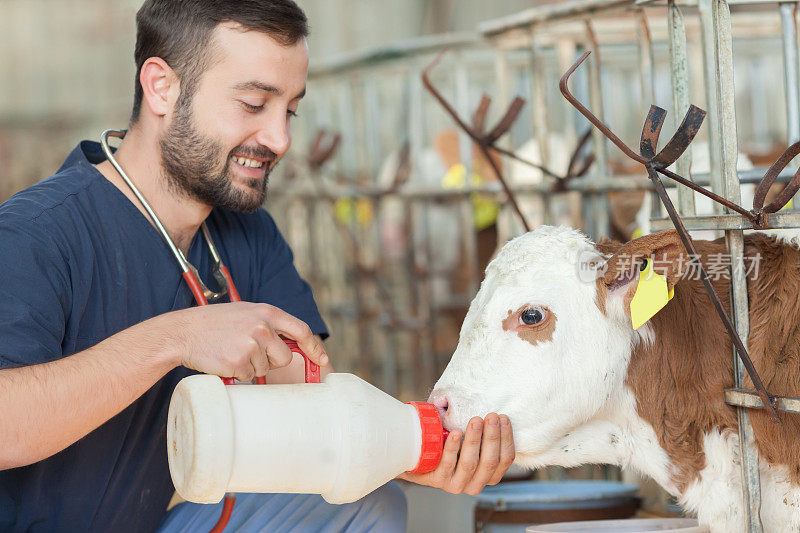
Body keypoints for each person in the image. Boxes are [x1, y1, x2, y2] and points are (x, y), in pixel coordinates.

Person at [0, 1, 516, 531]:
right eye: (252, 104)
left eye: (289, 110)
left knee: (365, 505)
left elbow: (310, 401)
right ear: (161, 88)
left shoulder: (248, 233)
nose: (280, 139)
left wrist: (407, 448)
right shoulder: (35, 234)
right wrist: (175, 338)